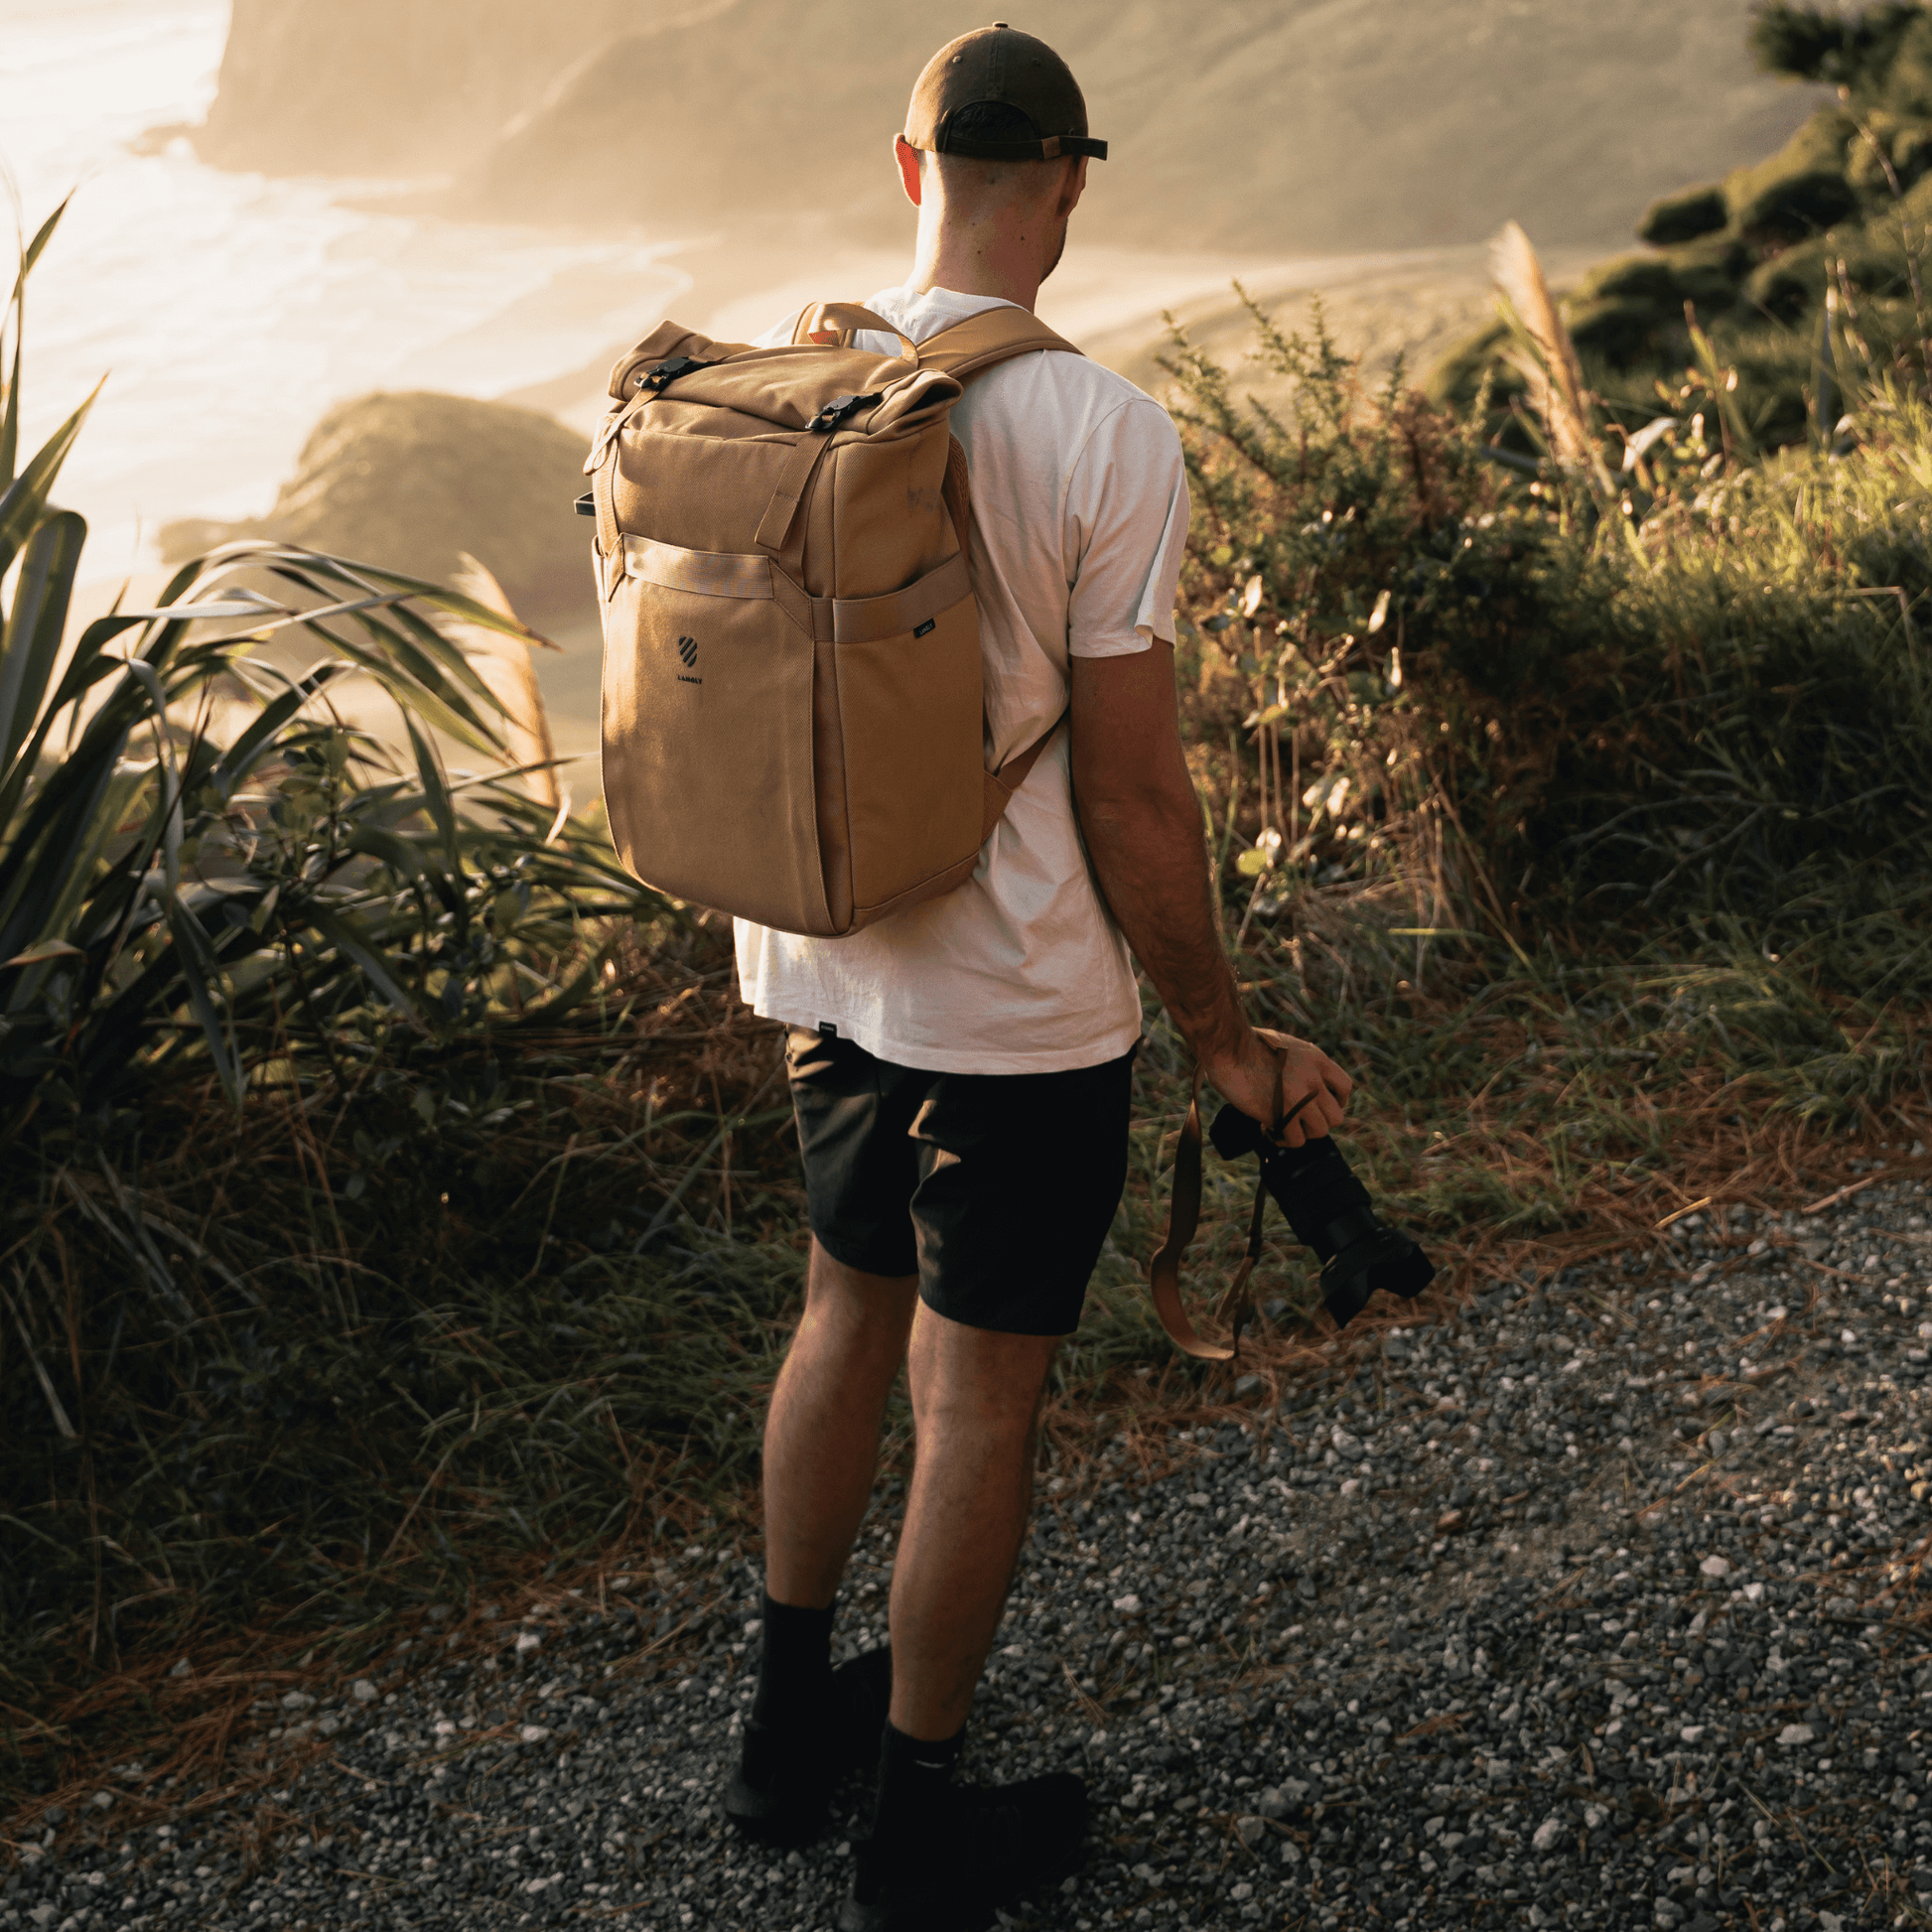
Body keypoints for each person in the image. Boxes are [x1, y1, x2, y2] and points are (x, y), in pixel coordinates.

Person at [721, 23, 1354, 1932]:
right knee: (976, 1404)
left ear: (906, 169)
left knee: (841, 1317)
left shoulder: (803, 366)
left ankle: (780, 1735)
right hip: (1014, 1013)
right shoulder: (1101, 430)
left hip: (821, 961)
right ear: (1066, 184)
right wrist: (1226, 1039)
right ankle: (917, 1824)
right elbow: (1134, 790)